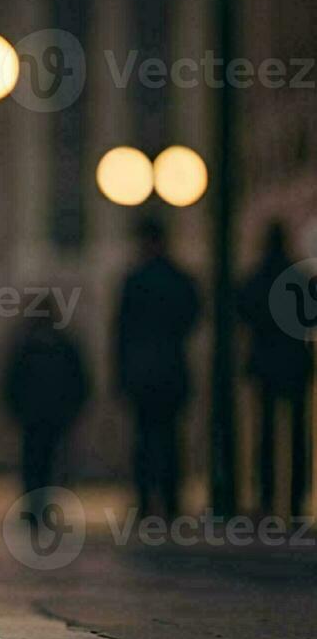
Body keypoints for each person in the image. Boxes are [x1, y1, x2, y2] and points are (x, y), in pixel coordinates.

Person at [114, 216, 202, 518]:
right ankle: (170, 501)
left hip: (143, 374)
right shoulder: (179, 279)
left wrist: (121, 376)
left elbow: (121, 333)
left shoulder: (135, 280)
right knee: (169, 440)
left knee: (145, 441)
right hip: (170, 372)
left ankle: (146, 502)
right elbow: (192, 318)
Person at [238, 222, 313, 516]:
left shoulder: (256, 278)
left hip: (266, 363)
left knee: (265, 435)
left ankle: (266, 498)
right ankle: (296, 501)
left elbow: (243, 309)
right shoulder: (299, 278)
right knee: (297, 435)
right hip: (295, 363)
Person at [3, 298, 88, 501]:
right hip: (49, 417)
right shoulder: (61, 345)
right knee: (48, 463)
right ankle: (41, 504)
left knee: (36, 463)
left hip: (37, 417)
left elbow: (11, 383)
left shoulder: (26, 346)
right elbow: (80, 382)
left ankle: (38, 504)